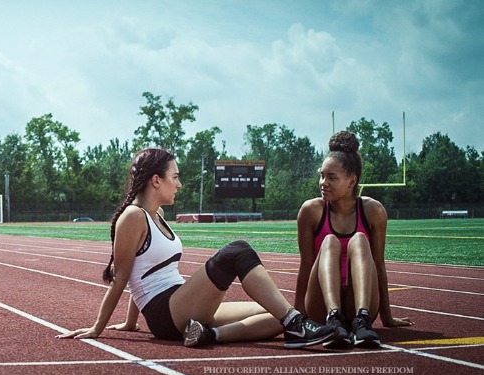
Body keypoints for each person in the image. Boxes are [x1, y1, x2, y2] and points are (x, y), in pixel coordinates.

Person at [57, 148, 336, 349]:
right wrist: (98, 328)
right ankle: (297, 324)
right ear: (156, 180)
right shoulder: (133, 216)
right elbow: (123, 277)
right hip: (166, 312)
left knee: (276, 314)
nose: (179, 184)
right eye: (175, 177)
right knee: (237, 251)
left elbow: (143, 270)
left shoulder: (157, 216)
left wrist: (131, 322)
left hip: (181, 304)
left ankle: (207, 335)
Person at [294, 131, 413, 348]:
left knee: (359, 239)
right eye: (322, 175)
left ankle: (362, 320)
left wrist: (386, 317)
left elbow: (378, 265)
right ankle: (334, 317)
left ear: (351, 181)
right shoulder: (311, 211)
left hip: (359, 301)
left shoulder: (373, 210)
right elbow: (306, 267)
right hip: (322, 303)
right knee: (330, 241)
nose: (323, 182)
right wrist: (296, 319)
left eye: (331, 177)